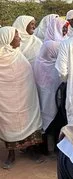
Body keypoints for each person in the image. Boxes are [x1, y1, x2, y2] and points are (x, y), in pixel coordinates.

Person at [0, 27, 43, 169]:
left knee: (28, 118)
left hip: (26, 96)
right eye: (16, 36)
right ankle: (11, 154)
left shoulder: (19, 54)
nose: (19, 39)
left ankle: (31, 150)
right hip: (7, 99)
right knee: (9, 122)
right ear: (7, 39)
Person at [33, 17, 67, 154]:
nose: (65, 29)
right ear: (56, 28)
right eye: (63, 27)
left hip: (55, 87)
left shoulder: (60, 43)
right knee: (50, 113)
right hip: (49, 87)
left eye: (66, 27)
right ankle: (49, 148)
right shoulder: (51, 45)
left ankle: (51, 147)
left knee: (54, 114)